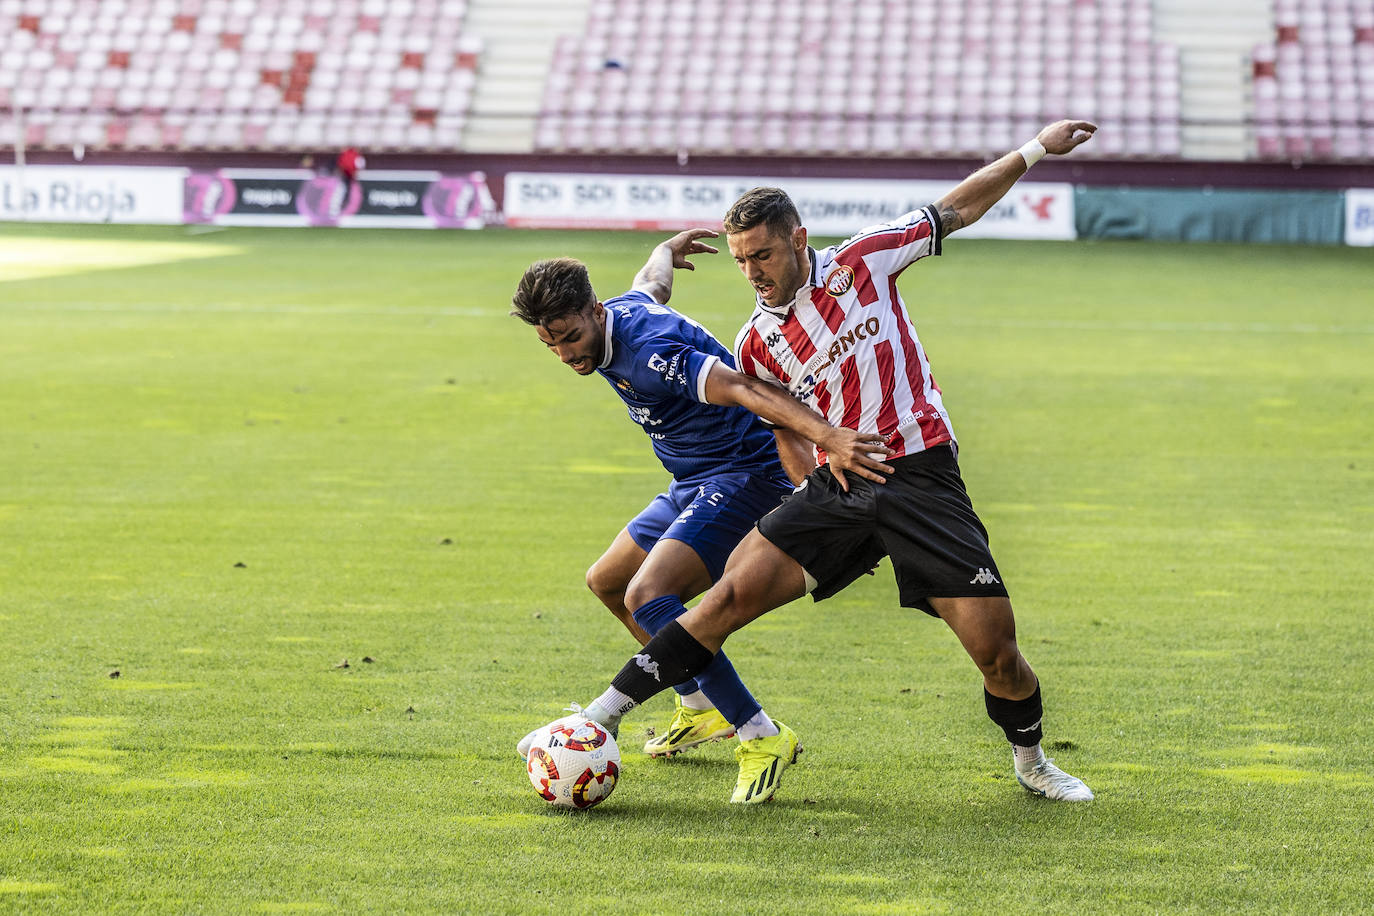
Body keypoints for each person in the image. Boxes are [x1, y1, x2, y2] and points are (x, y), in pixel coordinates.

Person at [560, 120, 1101, 804]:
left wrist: (1034, 151)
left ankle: (1031, 762)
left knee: (997, 653)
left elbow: (956, 208)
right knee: (720, 601)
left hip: (921, 476)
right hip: (834, 488)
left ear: (797, 239)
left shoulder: (863, 262)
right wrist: (804, 487)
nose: (752, 273)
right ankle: (595, 719)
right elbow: (782, 426)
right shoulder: (755, 342)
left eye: (762, 255)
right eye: (739, 261)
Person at [510, 231, 891, 803]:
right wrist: (667, 249)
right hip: (693, 480)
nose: (565, 355)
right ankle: (698, 704)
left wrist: (826, 438)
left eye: (570, 338)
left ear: (593, 312)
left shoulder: (651, 353)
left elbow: (743, 386)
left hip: (746, 474)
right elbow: (650, 284)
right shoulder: (622, 311)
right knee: (608, 581)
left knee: (649, 596)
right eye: (551, 345)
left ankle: (760, 733)